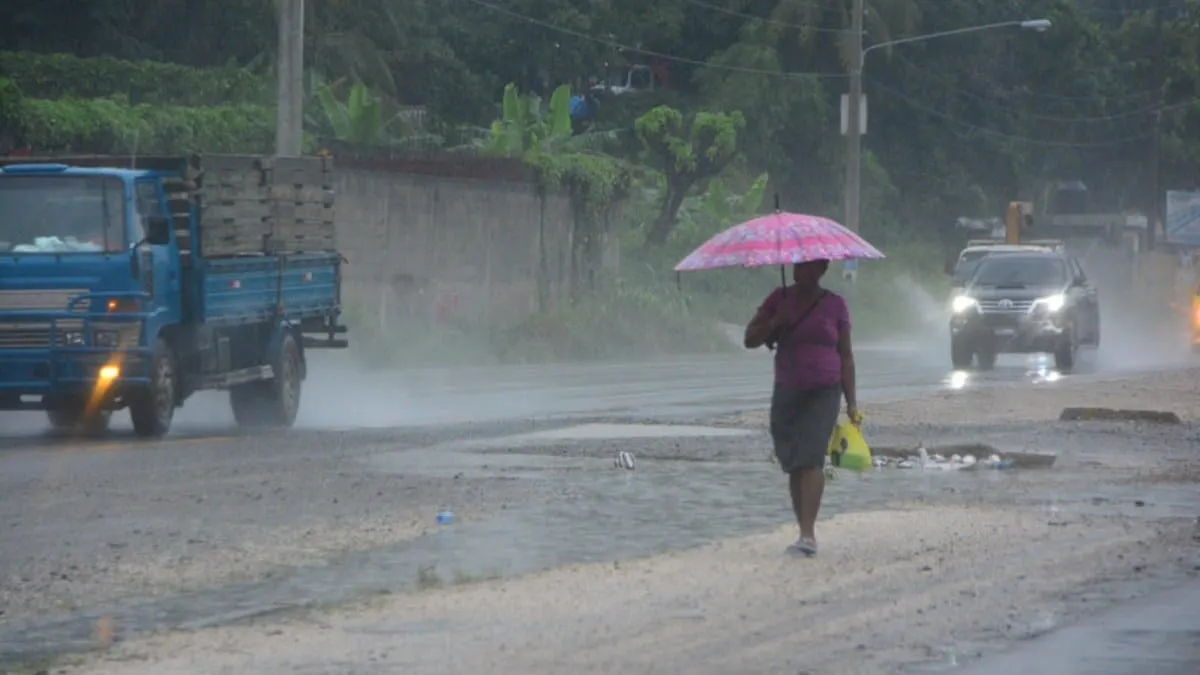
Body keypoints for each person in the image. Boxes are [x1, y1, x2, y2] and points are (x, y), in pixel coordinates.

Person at [743, 259, 858, 557]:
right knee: (793, 461)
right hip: (788, 389)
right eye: (797, 265)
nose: (799, 271)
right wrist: (775, 322)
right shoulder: (778, 299)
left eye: (807, 266)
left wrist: (851, 402)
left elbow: (846, 356)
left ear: (822, 270)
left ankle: (808, 535)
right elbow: (749, 339)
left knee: (812, 457)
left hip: (825, 390)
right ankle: (802, 529)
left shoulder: (835, 305)